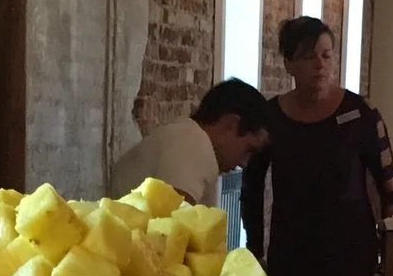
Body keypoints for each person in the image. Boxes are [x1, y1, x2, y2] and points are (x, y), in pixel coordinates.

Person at [240, 17, 393, 276]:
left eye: (326, 55)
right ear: (288, 64)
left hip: (352, 260)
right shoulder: (270, 117)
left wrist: (386, 263)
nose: (320, 65)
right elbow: (251, 190)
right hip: (290, 259)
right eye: (308, 57)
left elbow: (390, 190)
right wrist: (255, 253)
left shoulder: (360, 114)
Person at [105, 78, 271, 208]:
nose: (244, 163)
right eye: (248, 150)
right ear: (230, 124)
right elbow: (177, 231)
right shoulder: (193, 144)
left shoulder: (187, 136)